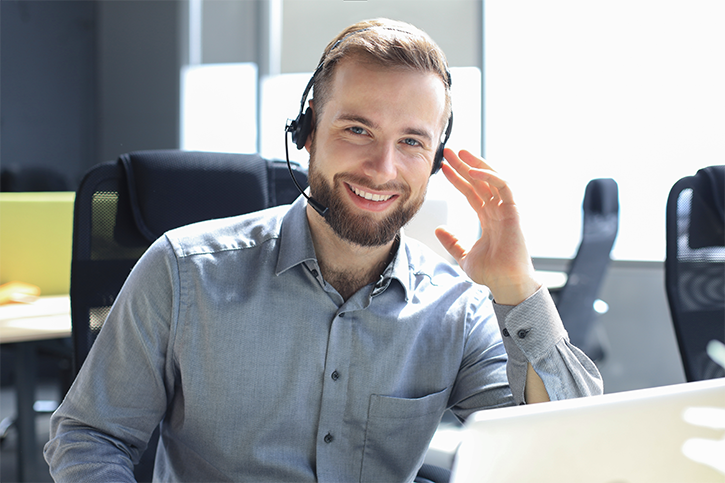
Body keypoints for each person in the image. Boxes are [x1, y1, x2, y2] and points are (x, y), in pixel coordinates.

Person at [44, 18, 602, 482]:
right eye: (357, 130)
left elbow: (563, 457)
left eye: (411, 142)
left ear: (434, 161)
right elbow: (90, 436)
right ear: (307, 132)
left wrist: (520, 291)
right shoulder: (183, 271)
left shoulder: (458, 307)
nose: (383, 169)